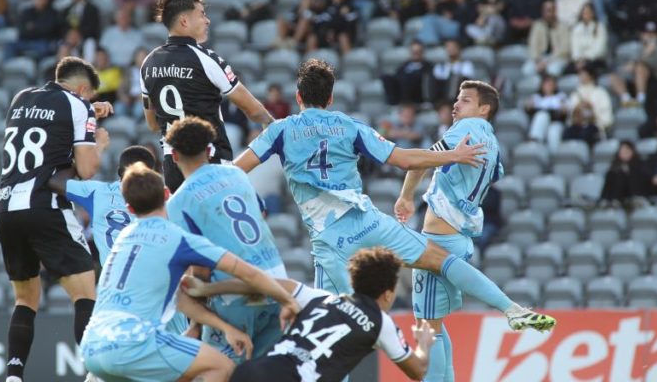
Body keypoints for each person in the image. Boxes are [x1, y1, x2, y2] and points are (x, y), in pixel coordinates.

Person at [235, 60, 556, 332]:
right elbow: (404, 159)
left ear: (298, 96)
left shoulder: (279, 130)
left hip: (331, 240)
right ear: (331, 98)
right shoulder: (349, 126)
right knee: (440, 260)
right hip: (369, 222)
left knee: (334, 332)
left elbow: (237, 169)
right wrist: (451, 156)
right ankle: (510, 308)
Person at [80, 162, 300, 382]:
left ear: (129, 208)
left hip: (92, 345)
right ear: (167, 194)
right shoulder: (177, 239)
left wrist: (222, 327)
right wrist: (287, 300)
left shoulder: (123, 239)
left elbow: (181, 298)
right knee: (220, 367)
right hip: (134, 342)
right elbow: (248, 273)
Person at [0, 56, 113, 382]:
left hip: (6, 206)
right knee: (86, 291)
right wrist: (99, 143)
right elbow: (86, 170)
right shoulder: (78, 105)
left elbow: (50, 131)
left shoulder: (21, 99)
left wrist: (90, 110)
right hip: (44, 204)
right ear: (83, 88)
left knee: (26, 298)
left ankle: (14, 375)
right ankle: (95, 373)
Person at [395, 80, 520, 381]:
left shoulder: (467, 130)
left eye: (465, 100)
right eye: (457, 99)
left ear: (483, 108)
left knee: (427, 327)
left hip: (440, 236)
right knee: (435, 325)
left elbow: (422, 159)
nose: (456, 105)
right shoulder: (491, 141)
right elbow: (496, 173)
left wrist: (406, 196)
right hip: (460, 236)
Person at [187, 247, 436, 382]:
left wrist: (209, 288)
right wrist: (423, 344)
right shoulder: (381, 322)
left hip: (255, 371)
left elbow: (260, 283)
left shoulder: (319, 298)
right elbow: (417, 371)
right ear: (389, 293)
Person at [165, 117, 287, 363]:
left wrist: (197, 325)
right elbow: (260, 213)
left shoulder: (178, 202)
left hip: (236, 299)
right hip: (278, 285)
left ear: (174, 156)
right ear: (210, 150)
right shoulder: (236, 174)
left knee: (217, 371)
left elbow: (200, 269)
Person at [140, 0, 274, 192]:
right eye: (202, 14)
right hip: (210, 161)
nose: (207, 20)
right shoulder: (207, 60)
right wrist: (271, 124)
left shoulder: (148, 63)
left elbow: (151, 124)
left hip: (173, 167)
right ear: (184, 21)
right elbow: (253, 110)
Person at [47, 145, 156, 266]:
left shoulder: (97, 191)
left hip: (111, 278)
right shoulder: (162, 201)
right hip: (148, 274)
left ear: (120, 172)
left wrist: (77, 164)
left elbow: (54, 182)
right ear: (152, 175)